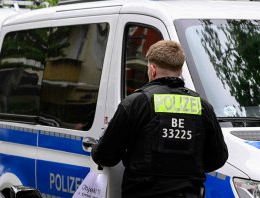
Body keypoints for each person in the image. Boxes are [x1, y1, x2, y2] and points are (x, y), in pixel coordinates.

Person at [91, 40, 228, 198]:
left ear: (152, 69)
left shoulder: (136, 103)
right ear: (180, 69)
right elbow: (218, 158)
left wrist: (96, 148)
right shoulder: (203, 106)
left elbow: (106, 156)